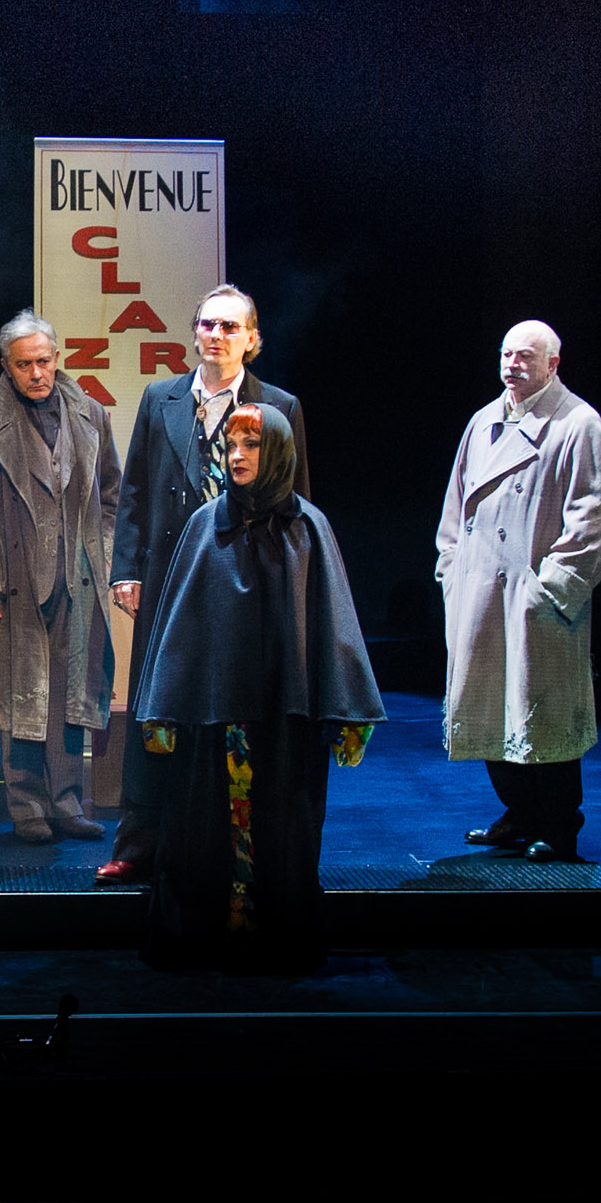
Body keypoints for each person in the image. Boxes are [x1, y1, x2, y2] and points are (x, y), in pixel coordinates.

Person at [134, 403, 383, 968]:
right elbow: (179, 625)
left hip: (284, 721)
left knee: (284, 831)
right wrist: (163, 705)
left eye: (252, 445)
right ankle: (198, 942)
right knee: (200, 834)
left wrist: (347, 710)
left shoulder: (308, 527)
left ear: (277, 453)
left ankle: (279, 943)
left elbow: (334, 624)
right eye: (231, 445)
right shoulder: (205, 525)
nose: (238, 456)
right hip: (214, 717)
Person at [98, 284, 309, 883]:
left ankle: (234, 839)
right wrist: (127, 569)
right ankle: (140, 842)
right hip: (171, 576)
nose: (216, 335)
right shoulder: (161, 397)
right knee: (158, 704)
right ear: (194, 333)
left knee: (238, 708)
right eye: (208, 324)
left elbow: (296, 499)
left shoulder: (278, 405)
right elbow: (135, 490)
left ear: (252, 339)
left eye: (230, 326)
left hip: (248, 582)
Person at [436, 319, 601, 862]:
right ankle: (518, 812)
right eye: (506, 354)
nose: (512, 365)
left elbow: (593, 522)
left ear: (552, 365)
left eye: (525, 357)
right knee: (491, 708)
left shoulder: (577, 423)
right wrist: (450, 570)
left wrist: (550, 591)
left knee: (544, 712)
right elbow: (455, 505)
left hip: (533, 601)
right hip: (479, 593)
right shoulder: (483, 421)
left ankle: (558, 825)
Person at [0, 312, 121, 844]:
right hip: (16, 578)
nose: (36, 373)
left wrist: (103, 558)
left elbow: (113, 497)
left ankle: (67, 802)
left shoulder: (91, 414)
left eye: (43, 362)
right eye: (24, 365)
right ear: (7, 366)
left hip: (78, 577)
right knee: (21, 691)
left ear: (57, 358)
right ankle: (26, 805)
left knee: (72, 692)